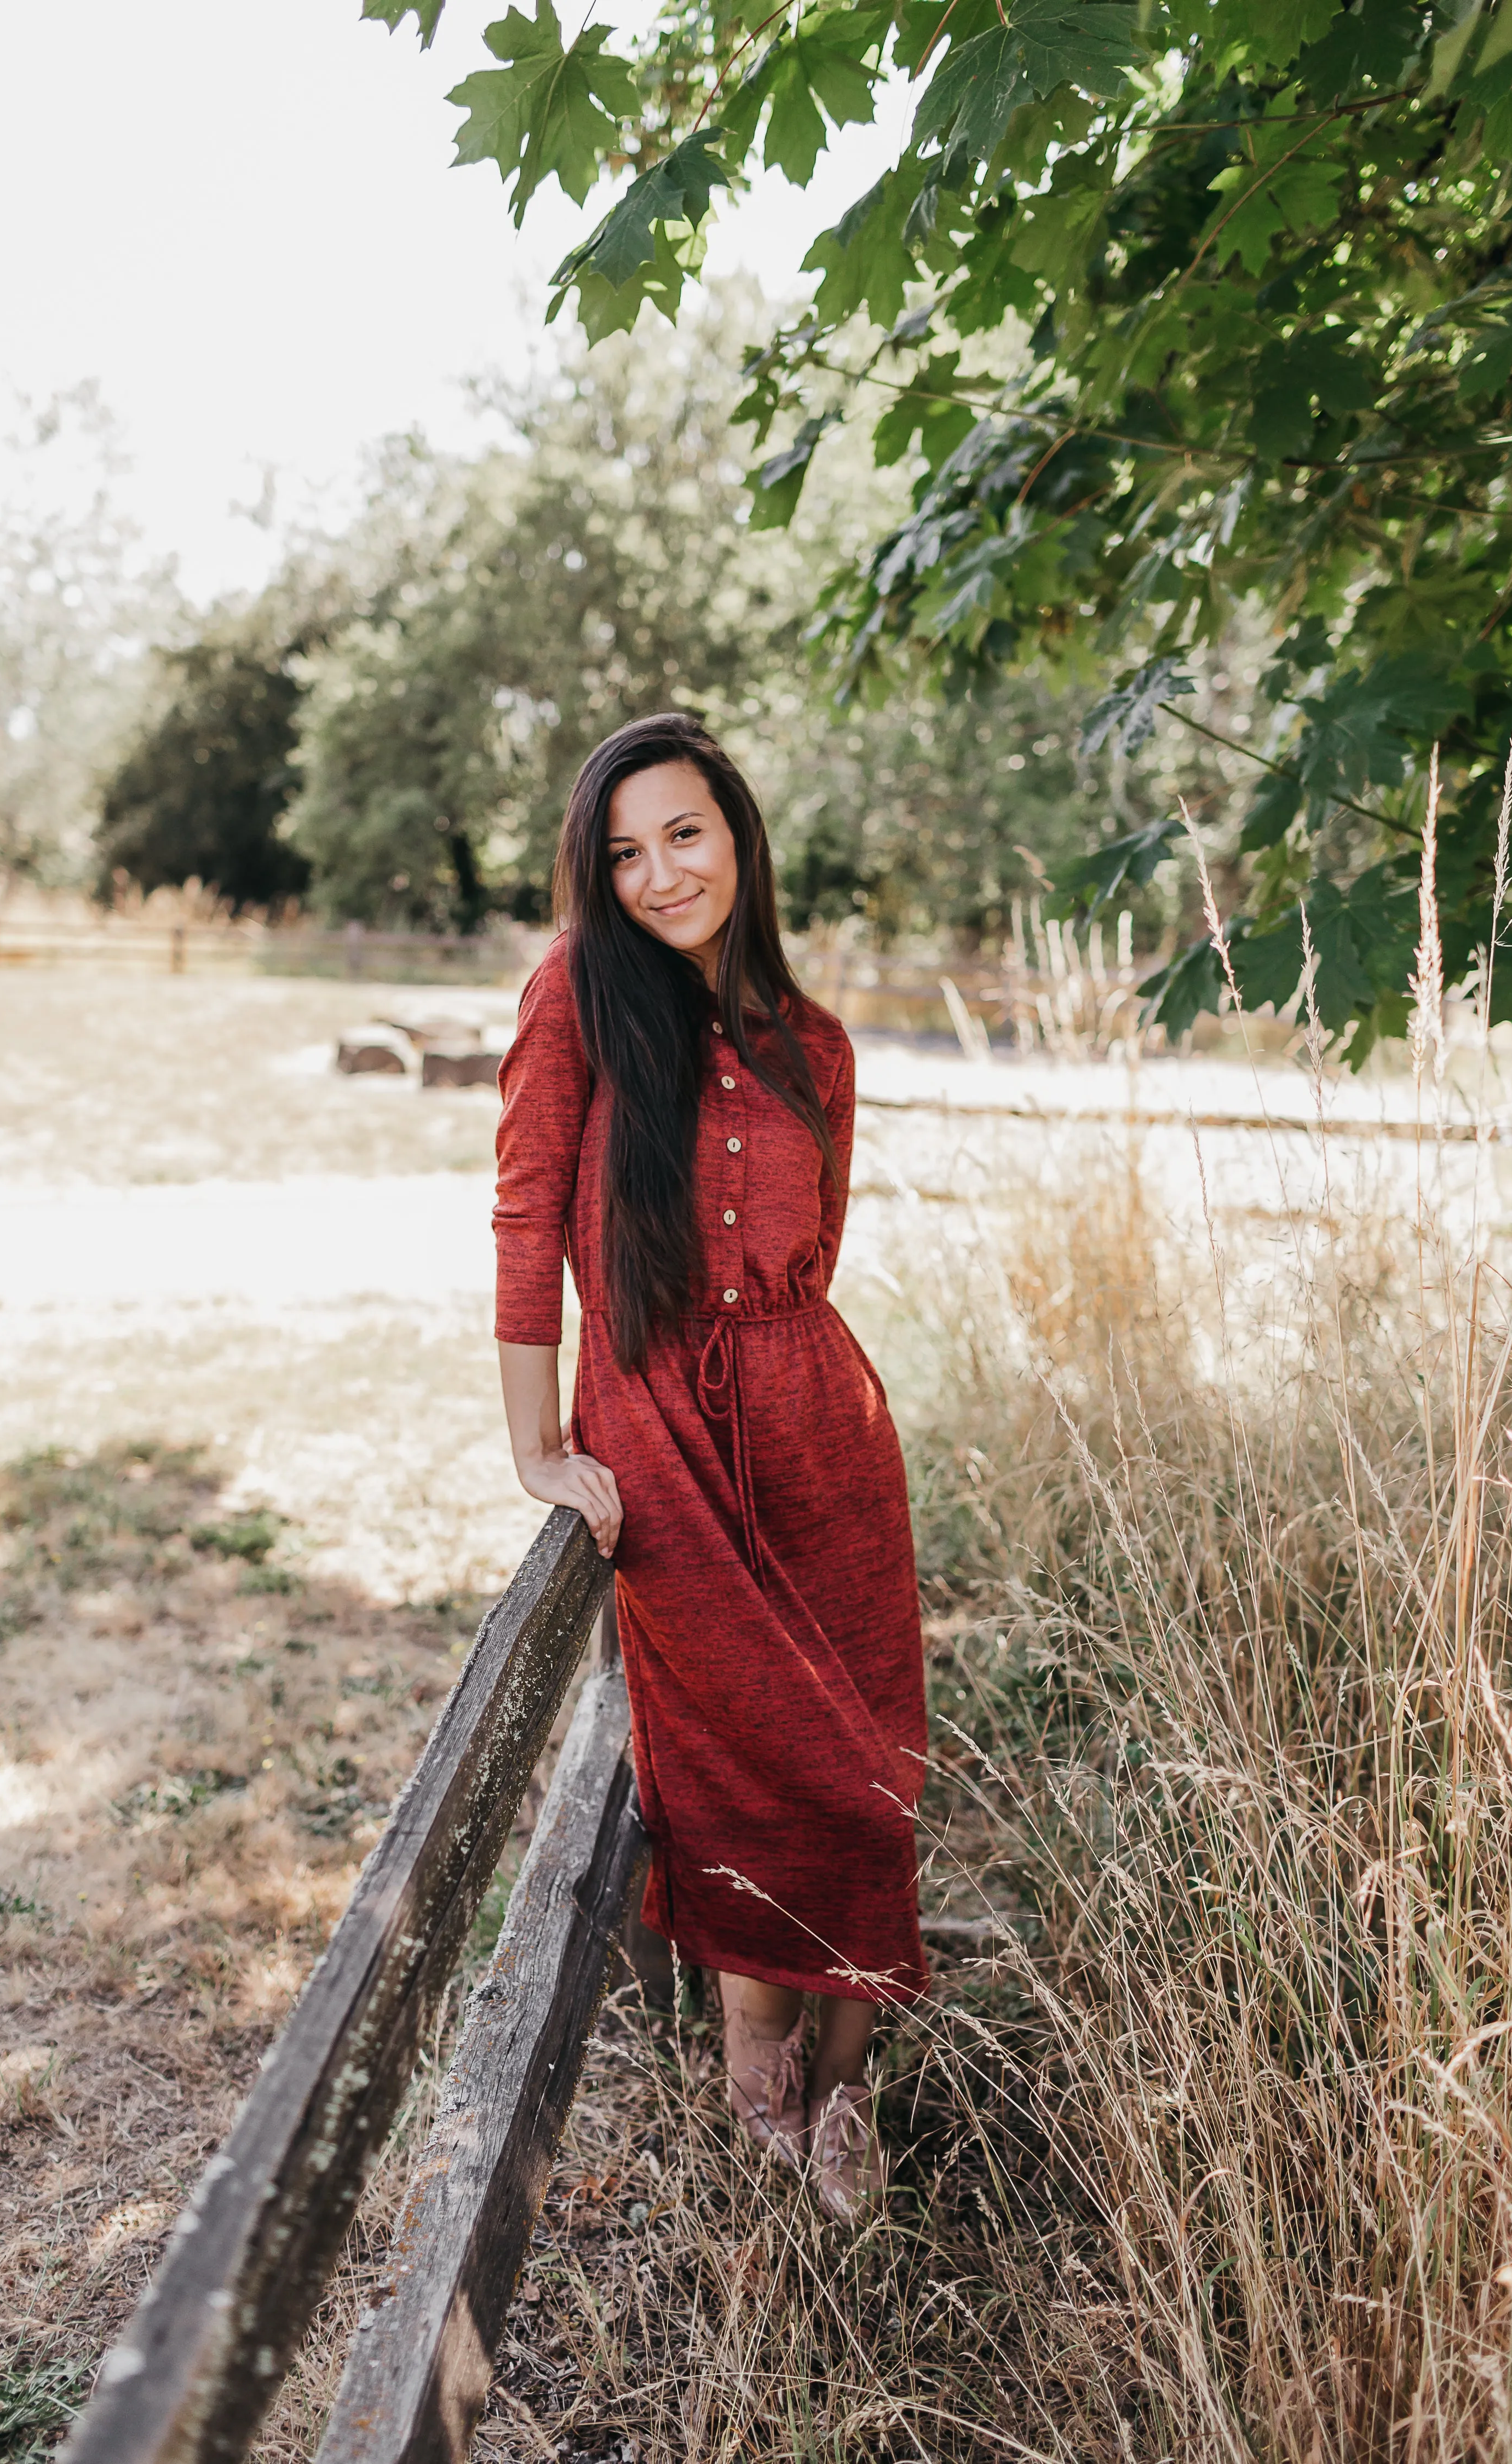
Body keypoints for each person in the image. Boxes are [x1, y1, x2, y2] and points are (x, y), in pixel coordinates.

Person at [492, 711, 928, 2221]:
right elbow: (524, 1224)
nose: (661, 871)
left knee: (871, 1779)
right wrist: (538, 1440)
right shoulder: (575, 1002)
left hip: (827, 1439)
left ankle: (851, 2082)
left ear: (737, 835)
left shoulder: (817, 1043)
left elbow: (810, 1257)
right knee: (750, 1768)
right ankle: (757, 2060)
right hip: (661, 1443)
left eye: (685, 832)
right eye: (625, 852)